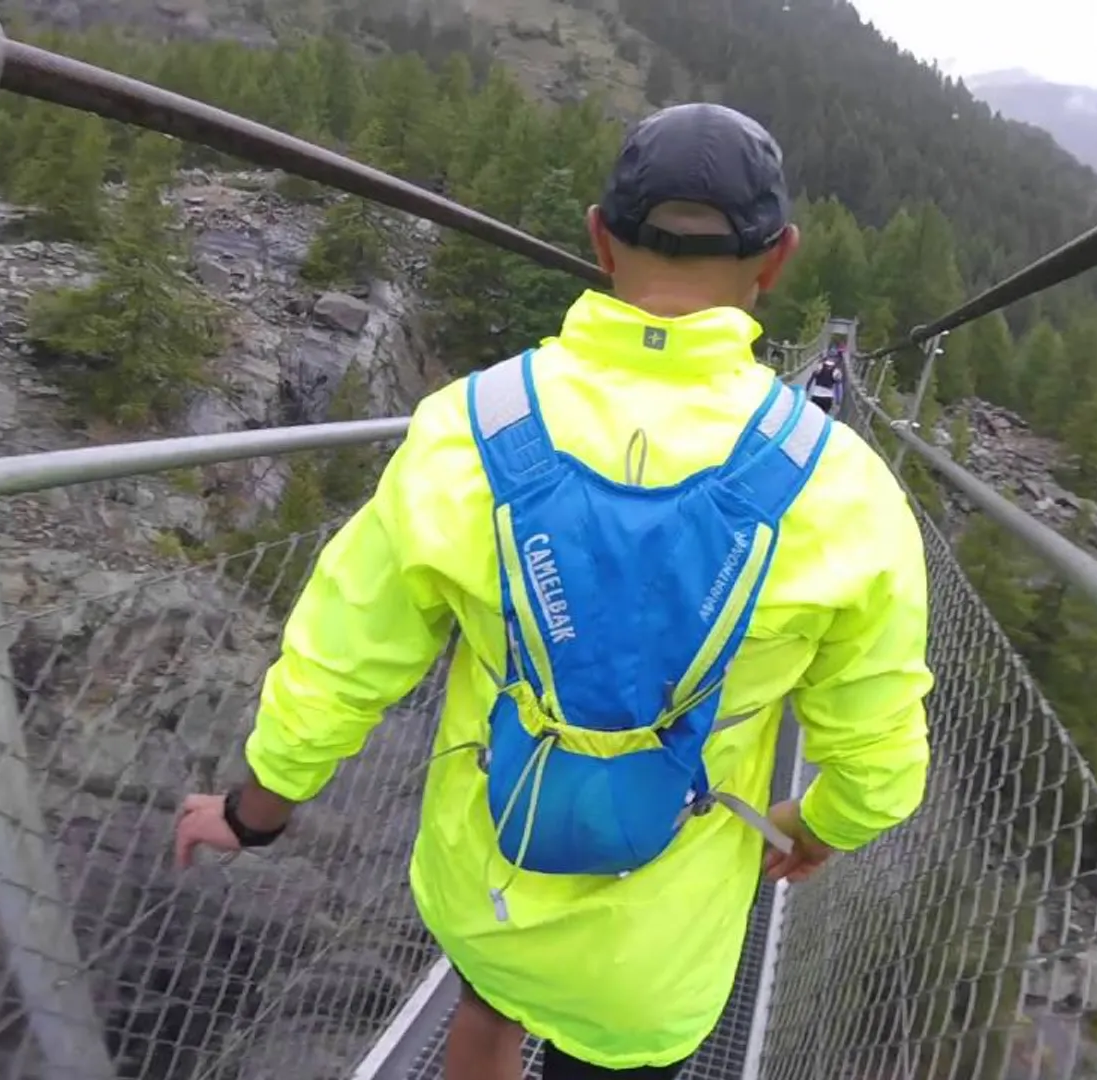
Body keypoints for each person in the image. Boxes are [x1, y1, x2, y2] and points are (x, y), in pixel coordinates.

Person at [174, 102, 934, 1080]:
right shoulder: (844, 489)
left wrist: (252, 814)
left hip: (493, 875)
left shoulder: (469, 428)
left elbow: (338, 665)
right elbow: (880, 763)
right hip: (656, 948)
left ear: (598, 239)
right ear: (777, 259)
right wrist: (816, 826)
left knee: (487, 999)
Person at [807, 348, 845, 415]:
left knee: (813, 416)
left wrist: (807, 391)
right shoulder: (837, 371)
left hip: (816, 395)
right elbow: (838, 388)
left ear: (827, 356)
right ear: (836, 358)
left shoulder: (819, 366)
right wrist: (838, 401)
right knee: (823, 416)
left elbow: (810, 380)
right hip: (827, 398)